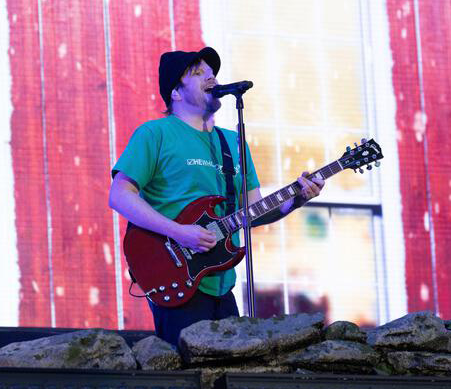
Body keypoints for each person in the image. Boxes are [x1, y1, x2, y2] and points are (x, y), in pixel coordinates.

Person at [109, 47, 325, 346]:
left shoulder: (234, 142)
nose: (211, 77)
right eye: (198, 73)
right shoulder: (155, 134)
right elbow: (120, 196)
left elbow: (253, 210)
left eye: (212, 72)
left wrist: (296, 200)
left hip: (222, 282)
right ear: (175, 92)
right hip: (174, 275)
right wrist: (179, 232)